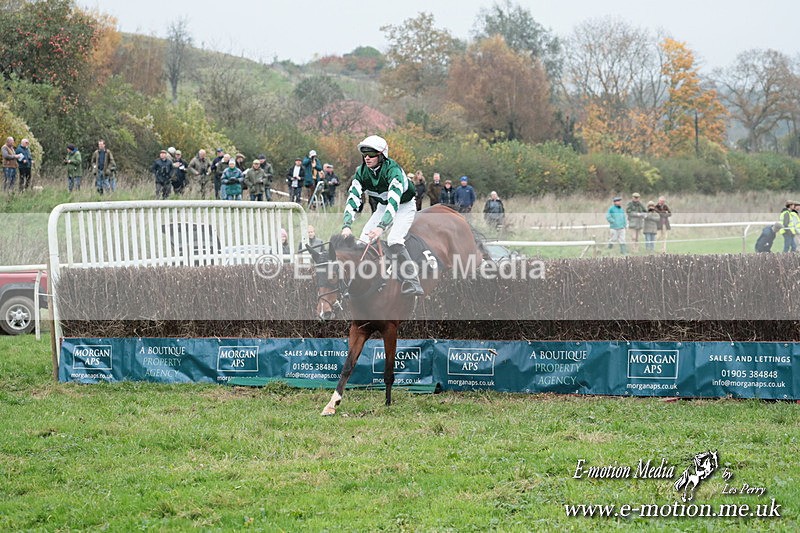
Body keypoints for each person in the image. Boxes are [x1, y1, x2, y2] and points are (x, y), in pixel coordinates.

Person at [341, 135, 423, 295]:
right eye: (364, 155)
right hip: (382, 206)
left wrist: (381, 227)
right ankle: (359, 282)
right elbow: (353, 198)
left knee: (394, 240)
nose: (367, 158)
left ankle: (413, 281)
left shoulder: (393, 171)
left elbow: (394, 203)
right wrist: (346, 225)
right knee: (363, 241)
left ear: (381, 156)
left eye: (371, 154)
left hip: (403, 206)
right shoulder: (361, 172)